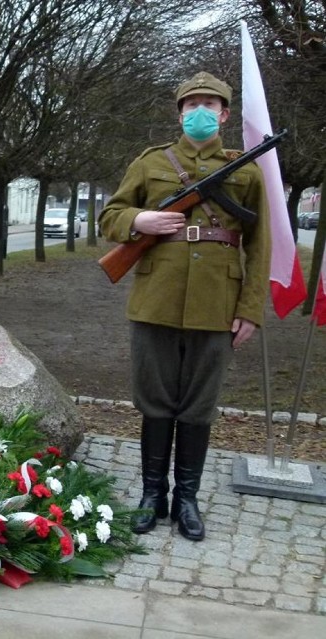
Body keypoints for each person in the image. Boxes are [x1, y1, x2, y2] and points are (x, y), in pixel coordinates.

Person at [98, 72, 271, 541]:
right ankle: (152, 495)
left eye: (209, 104)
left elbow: (259, 245)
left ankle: (187, 499)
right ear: (179, 112)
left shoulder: (247, 171)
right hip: (156, 300)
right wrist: (141, 219)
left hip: (217, 305)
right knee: (155, 403)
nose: (200, 111)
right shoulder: (152, 163)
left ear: (225, 113)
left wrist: (250, 309)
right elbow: (110, 215)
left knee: (197, 407)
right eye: (191, 104)